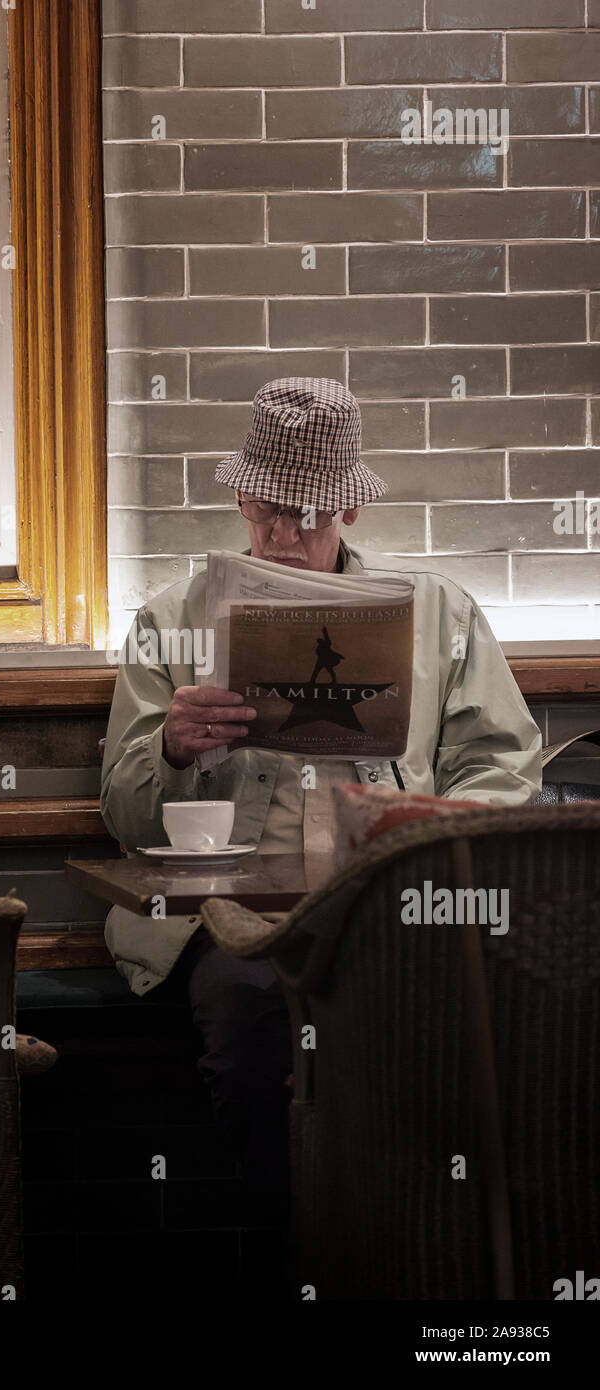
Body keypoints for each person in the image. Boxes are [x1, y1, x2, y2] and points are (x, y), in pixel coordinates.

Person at [99, 377, 542, 1218]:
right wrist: (171, 750)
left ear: (350, 512)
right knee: (255, 1039)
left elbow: (502, 769)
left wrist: (426, 837)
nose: (284, 536)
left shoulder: (439, 611)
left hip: (394, 906)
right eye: (268, 510)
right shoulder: (170, 621)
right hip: (233, 919)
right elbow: (122, 815)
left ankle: (412, 1247)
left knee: (456, 1034)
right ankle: (295, 1254)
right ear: (240, 494)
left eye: (309, 515)